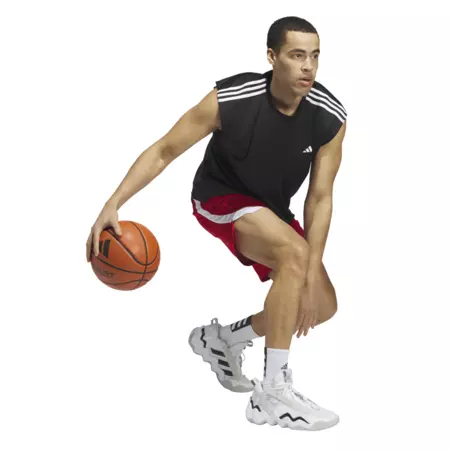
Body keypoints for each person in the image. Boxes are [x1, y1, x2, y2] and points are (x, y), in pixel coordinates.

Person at [86, 16, 347, 431]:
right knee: (295, 254)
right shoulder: (232, 98)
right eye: (297, 55)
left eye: (315, 56)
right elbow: (164, 150)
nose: (308, 67)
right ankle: (272, 393)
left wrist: (314, 273)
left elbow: (320, 197)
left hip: (272, 209)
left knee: (321, 304)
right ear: (272, 57)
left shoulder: (328, 115)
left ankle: (223, 339)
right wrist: (113, 203)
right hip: (219, 197)